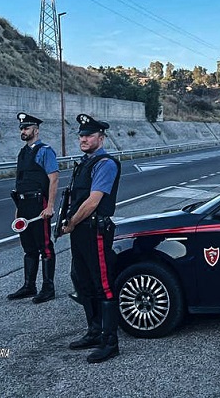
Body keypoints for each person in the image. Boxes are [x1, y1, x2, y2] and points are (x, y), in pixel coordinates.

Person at [61, 113, 121, 363]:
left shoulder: (104, 163)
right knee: (82, 281)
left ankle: (110, 342)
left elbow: (94, 200)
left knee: (102, 285)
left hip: (94, 231)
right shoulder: (85, 162)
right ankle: (95, 331)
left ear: (101, 137)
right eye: (81, 135)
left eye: (89, 135)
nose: (83, 139)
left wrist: (72, 222)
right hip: (80, 232)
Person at [7, 112, 59, 304]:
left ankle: (48, 288)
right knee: (28, 248)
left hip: (39, 204)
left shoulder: (45, 151)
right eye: (21, 128)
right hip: (24, 205)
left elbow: (53, 179)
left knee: (44, 246)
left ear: (36, 130)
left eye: (26, 128)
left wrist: (51, 205)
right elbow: (19, 181)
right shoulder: (22, 152)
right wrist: (18, 209)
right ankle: (29, 285)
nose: (23, 131)